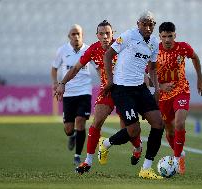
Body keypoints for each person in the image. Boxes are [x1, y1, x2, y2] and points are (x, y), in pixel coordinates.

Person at [55, 20, 142, 175]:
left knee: (129, 130)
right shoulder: (93, 49)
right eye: (101, 34)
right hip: (107, 90)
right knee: (96, 122)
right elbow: (75, 68)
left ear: (113, 34)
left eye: (107, 33)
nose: (105, 36)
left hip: (125, 91)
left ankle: (137, 147)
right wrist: (62, 83)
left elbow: (140, 65)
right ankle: (87, 162)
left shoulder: (122, 46)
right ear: (97, 35)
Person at [100, 11, 164, 179]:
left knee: (158, 124)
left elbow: (152, 67)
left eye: (151, 24)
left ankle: (146, 168)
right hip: (122, 89)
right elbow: (108, 55)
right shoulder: (128, 36)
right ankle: (105, 143)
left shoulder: (155, 42)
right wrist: (110, 81)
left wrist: (156, 88)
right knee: (134, 130)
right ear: (138, 24)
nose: (148, 27)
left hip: (140, 88)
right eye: (145, 24)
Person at [157, 22, 202, 174]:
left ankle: (177, 159)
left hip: (181, 90)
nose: (167, 40)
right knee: (169, 130)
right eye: (164, 36)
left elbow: (195, 58)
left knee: (179, 123)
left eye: (170, 36)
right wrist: (160, 87)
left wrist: (200, 79)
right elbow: (146, 74)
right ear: (160, 37)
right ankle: (180, 152)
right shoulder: (153, 51)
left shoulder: (183, 47)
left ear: (175, 35)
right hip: (163, 96)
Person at [51, 24, 90, 165]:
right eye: (73, 34)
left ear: (82, 35)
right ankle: (72, 135)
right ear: (69, 37)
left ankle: (77, 156)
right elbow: (54, 68)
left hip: (84, 91)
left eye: (78, 33)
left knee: (80, 121)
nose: (76, 36)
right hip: (68, 93)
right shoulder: (62, 50)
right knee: (68, 129)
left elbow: (99, 67)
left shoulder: (88, 50)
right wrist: (56, 83)